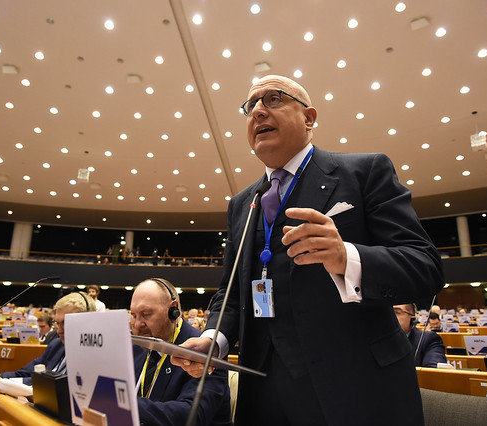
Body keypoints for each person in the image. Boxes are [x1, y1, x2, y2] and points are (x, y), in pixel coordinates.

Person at [173, 75, 444, 424]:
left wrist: (348, 257)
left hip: (357, 389)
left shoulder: (364, 173)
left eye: (273, 99)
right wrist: (214, 338)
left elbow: (426, 267)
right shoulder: (242, 204)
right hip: (264, 393)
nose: (256, 111)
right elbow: (233, 292)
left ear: (309, 118)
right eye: (250, 105)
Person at [129, 278, 232, 426]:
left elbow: (190, 416)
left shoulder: (206, 351)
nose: (138, 324)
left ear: (173, 310)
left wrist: (125, 404)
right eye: (134, 315)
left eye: (146, 314)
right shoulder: (136, 346)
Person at [0, 292, 95, 385]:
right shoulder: (56, 345)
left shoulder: (94, 357)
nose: (59, 331)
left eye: (65, 323)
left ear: (87, 321)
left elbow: (62, 386)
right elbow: (23, 373)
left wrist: (6, 382)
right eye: (57, 323)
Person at [394, 304, 447, 368]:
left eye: (397, 312)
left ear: (412, 318)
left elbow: (434, 374)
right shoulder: (380, 341)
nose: (390, 317)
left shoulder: (429, 340)